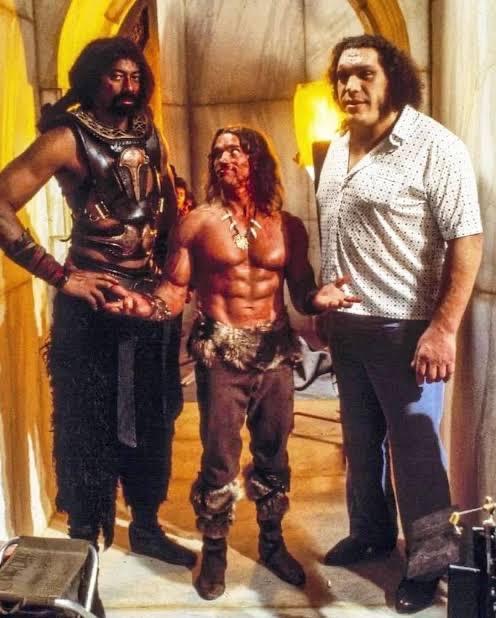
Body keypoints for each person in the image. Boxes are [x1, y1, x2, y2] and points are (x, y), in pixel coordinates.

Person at [104, 125, 360, 600]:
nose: (224, 158)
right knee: (219, 457)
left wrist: (320, 298)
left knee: (274, 453)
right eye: (218, 152)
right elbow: (173, 292)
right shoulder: (197, 223)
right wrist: (142, 305)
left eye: (235, 151)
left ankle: (272, 543)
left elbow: (301, 292)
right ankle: (215, 551)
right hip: (221, 355)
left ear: (257, 160)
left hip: (274, 353)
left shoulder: (288, 226)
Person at [0, 37, 196, 571]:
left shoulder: (148, 128)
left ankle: (147, 526)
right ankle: (85, 539)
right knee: (86, 423)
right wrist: (61, 277)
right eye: (115, 76)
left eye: (135, 76)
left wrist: (175, 276)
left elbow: (167, 202)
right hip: (92, 306)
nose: (128, 86)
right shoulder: (66, 137)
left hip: (148, 300)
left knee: (153, 417)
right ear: (92, 78)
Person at [317, 34, 483, 614]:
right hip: (349, 327)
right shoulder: (340, 144)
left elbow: (467, 240)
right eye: (342, 76)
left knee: (416, 457)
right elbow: (336, 230)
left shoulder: (436, 147)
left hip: (406, 330)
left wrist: (443, 329)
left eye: (364, 74)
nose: (350, 86)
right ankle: (370, 534)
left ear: (394, 78)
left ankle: (429, 565)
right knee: (361, 446)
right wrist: (326, 301)